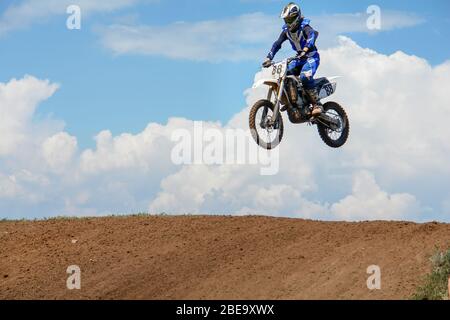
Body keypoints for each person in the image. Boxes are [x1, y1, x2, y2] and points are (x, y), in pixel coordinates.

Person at [262, 2, 322, 116]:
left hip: (311, 56)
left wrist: (305, 50)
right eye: (286, 20)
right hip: (299, 57)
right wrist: (268, 57)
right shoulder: (286, 31)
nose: (288, 23)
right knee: (283, 75)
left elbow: (312, 36)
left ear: (297, 17)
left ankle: (317, 104)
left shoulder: (305, 27)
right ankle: (289, 100)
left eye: (290, 20)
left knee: (305, 77)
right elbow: (277, 43)